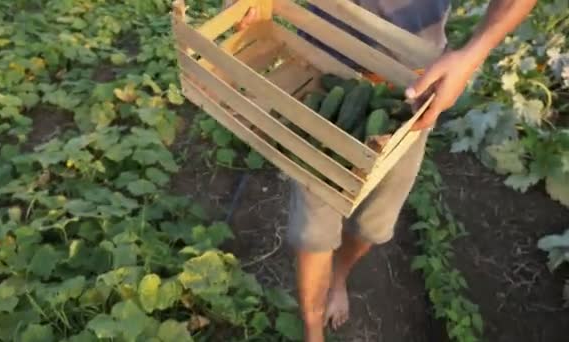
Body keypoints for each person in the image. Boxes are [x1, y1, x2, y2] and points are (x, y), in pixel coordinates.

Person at [223, 1, 538, 341]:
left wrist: (475, 51)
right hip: (320, 63)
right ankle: (312, 328)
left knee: (374, 225)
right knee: (313, 231)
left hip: (412, 88)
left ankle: (338, 277)